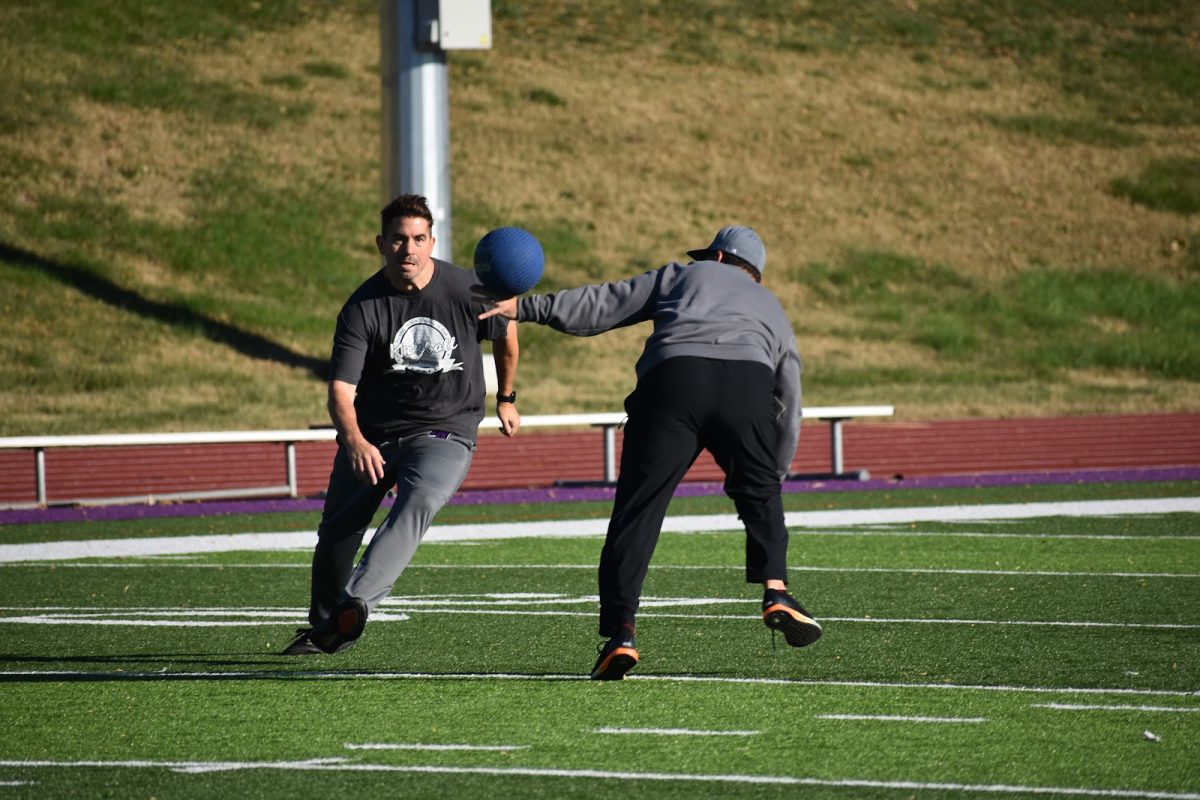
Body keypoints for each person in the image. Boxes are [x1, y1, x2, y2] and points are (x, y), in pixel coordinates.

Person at [481, 225, 821, 680]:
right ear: (753, 273)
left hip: (674, 382)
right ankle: (776, 590)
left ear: (716, 258)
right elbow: (790, 393)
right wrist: (771, 470)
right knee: (760, 497)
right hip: (747, 385)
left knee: (637, 511)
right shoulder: (771, 305)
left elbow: (604, 303)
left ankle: (621, 631)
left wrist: (526, 307)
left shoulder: (681, 275)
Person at [283, 193, 520, 656]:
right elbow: (340, 391)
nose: (408, 249)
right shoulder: (362, 307)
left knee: (422, 497)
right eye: (397, 239)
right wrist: (352, 439)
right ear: (380, 244)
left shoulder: (470, 291)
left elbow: (507, 339)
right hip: (373, 433)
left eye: (417, 239)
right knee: (336, 531)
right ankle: (327, 626)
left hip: (445, 429)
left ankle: (356, 601)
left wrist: (506, 399)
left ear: (432, 241)